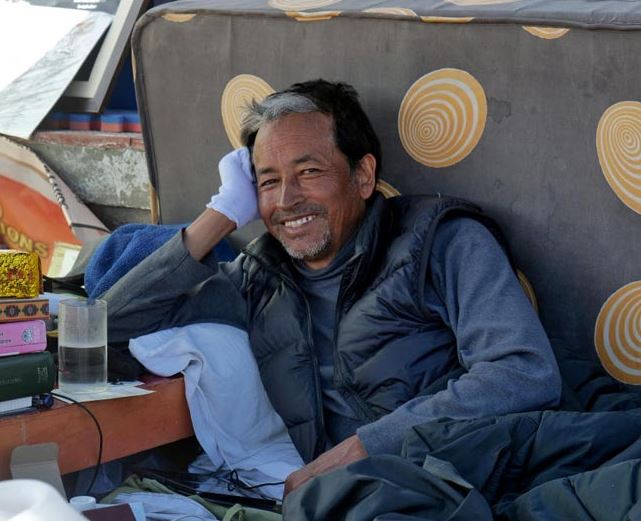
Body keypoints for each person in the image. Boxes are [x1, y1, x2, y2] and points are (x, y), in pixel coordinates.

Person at [102, 79, 561, 497]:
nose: (287, 200)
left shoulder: (443, 242)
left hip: (459, 484)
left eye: (309, 172)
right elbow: (107, 328)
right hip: (338, 499)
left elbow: (523, 372)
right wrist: (220, 215)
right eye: (269, 181)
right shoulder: (257, 277)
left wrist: (366, 447)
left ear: (363, 176)